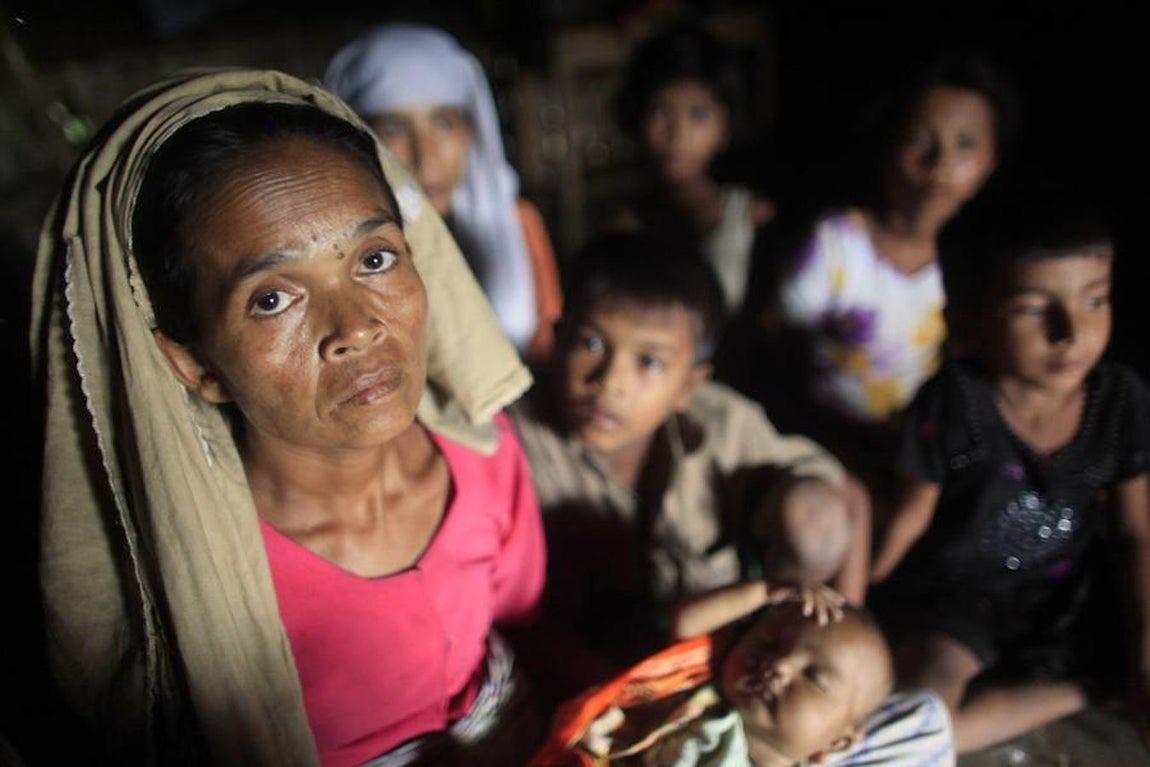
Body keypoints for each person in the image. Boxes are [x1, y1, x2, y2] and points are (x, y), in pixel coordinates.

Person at [31, 68, 547, 766]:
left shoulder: (483, 455)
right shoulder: (193, 593)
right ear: (196, 365)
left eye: (375, 258)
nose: (357, 328)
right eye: (273, 299)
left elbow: (530, 632)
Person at [510, 229, 870, 701]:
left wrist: (844, 646)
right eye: (591, 344)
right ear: (556, 342)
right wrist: (618, 697)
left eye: (649, 362)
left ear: (689, 386)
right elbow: (525, 627)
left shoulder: (722, 423)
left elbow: (849, 497)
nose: (610, 383)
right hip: (590, 665)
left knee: (816, 515)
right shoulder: (516, 436)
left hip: (734, 659)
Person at [868, 181, 1150, 752]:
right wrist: (856, 600)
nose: (1070, 332)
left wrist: (1145, 646)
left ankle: (1092, 680)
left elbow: (1136, 531)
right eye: (1034, 309)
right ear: (970, 323)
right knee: (921, 710)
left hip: (1065, 600)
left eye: (1095, 301)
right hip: (960, 598)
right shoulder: (955, 402)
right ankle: (1081, 693)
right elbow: (909, 518)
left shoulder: (1120, 400)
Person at [770, 50, 1017, 506]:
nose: (941, 161)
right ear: (886, 143)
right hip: (829, 451)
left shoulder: (988, 264)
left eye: (966, 144)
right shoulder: (835, 247)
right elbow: (778, 355)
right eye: (920, 139)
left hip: (925, 459)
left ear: (990, 161)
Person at [325, 22, 563, 364]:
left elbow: (549, 344)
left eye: (444, 123)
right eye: (393, 128)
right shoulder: (338, 253)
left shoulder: (518, 222)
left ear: (471, 130)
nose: (426, 156)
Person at [531, 593, 954, 766]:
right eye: (769, 644)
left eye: (814, 677)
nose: (780, 666)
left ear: (837, 744)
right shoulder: (703, 689)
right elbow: (687, 622)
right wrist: (767, 591)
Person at [612, 18, 774, 316]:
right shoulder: (623, 228)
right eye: (662, 111)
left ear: (725, 127)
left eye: (698, 114)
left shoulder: (750, 216)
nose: (677, 133)